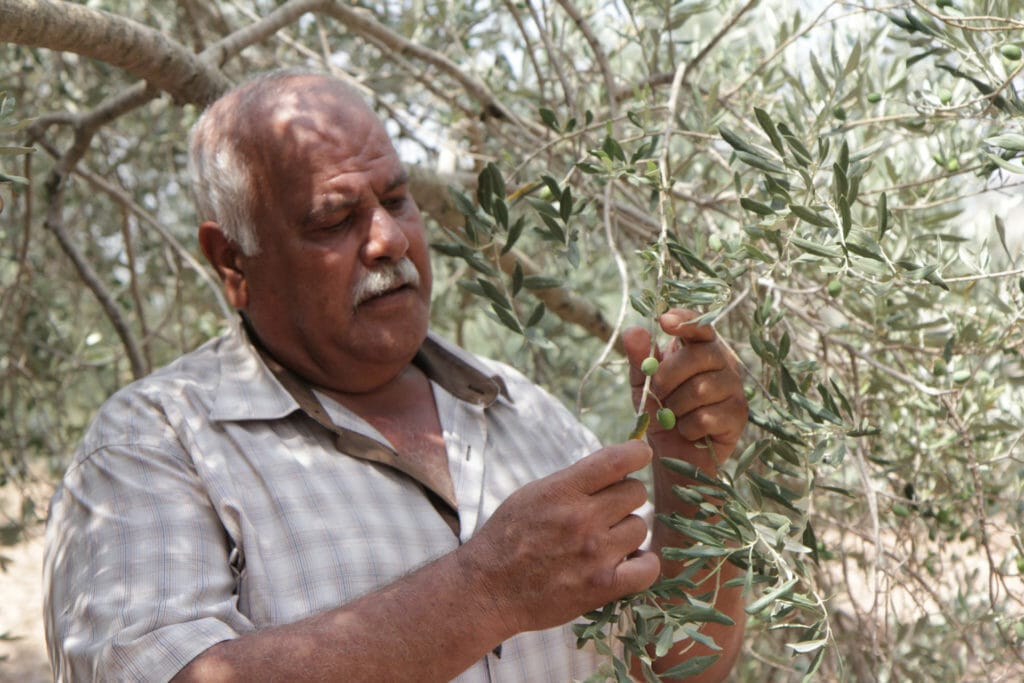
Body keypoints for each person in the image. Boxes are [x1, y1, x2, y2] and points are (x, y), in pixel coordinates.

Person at [43, 69, 748, 682]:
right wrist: (485, 590)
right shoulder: (153, 446)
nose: (388, 238)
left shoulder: (524, 410)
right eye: (334, 219)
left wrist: (692, 471)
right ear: (232, 261)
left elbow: (678, 661)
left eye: (397, 199)